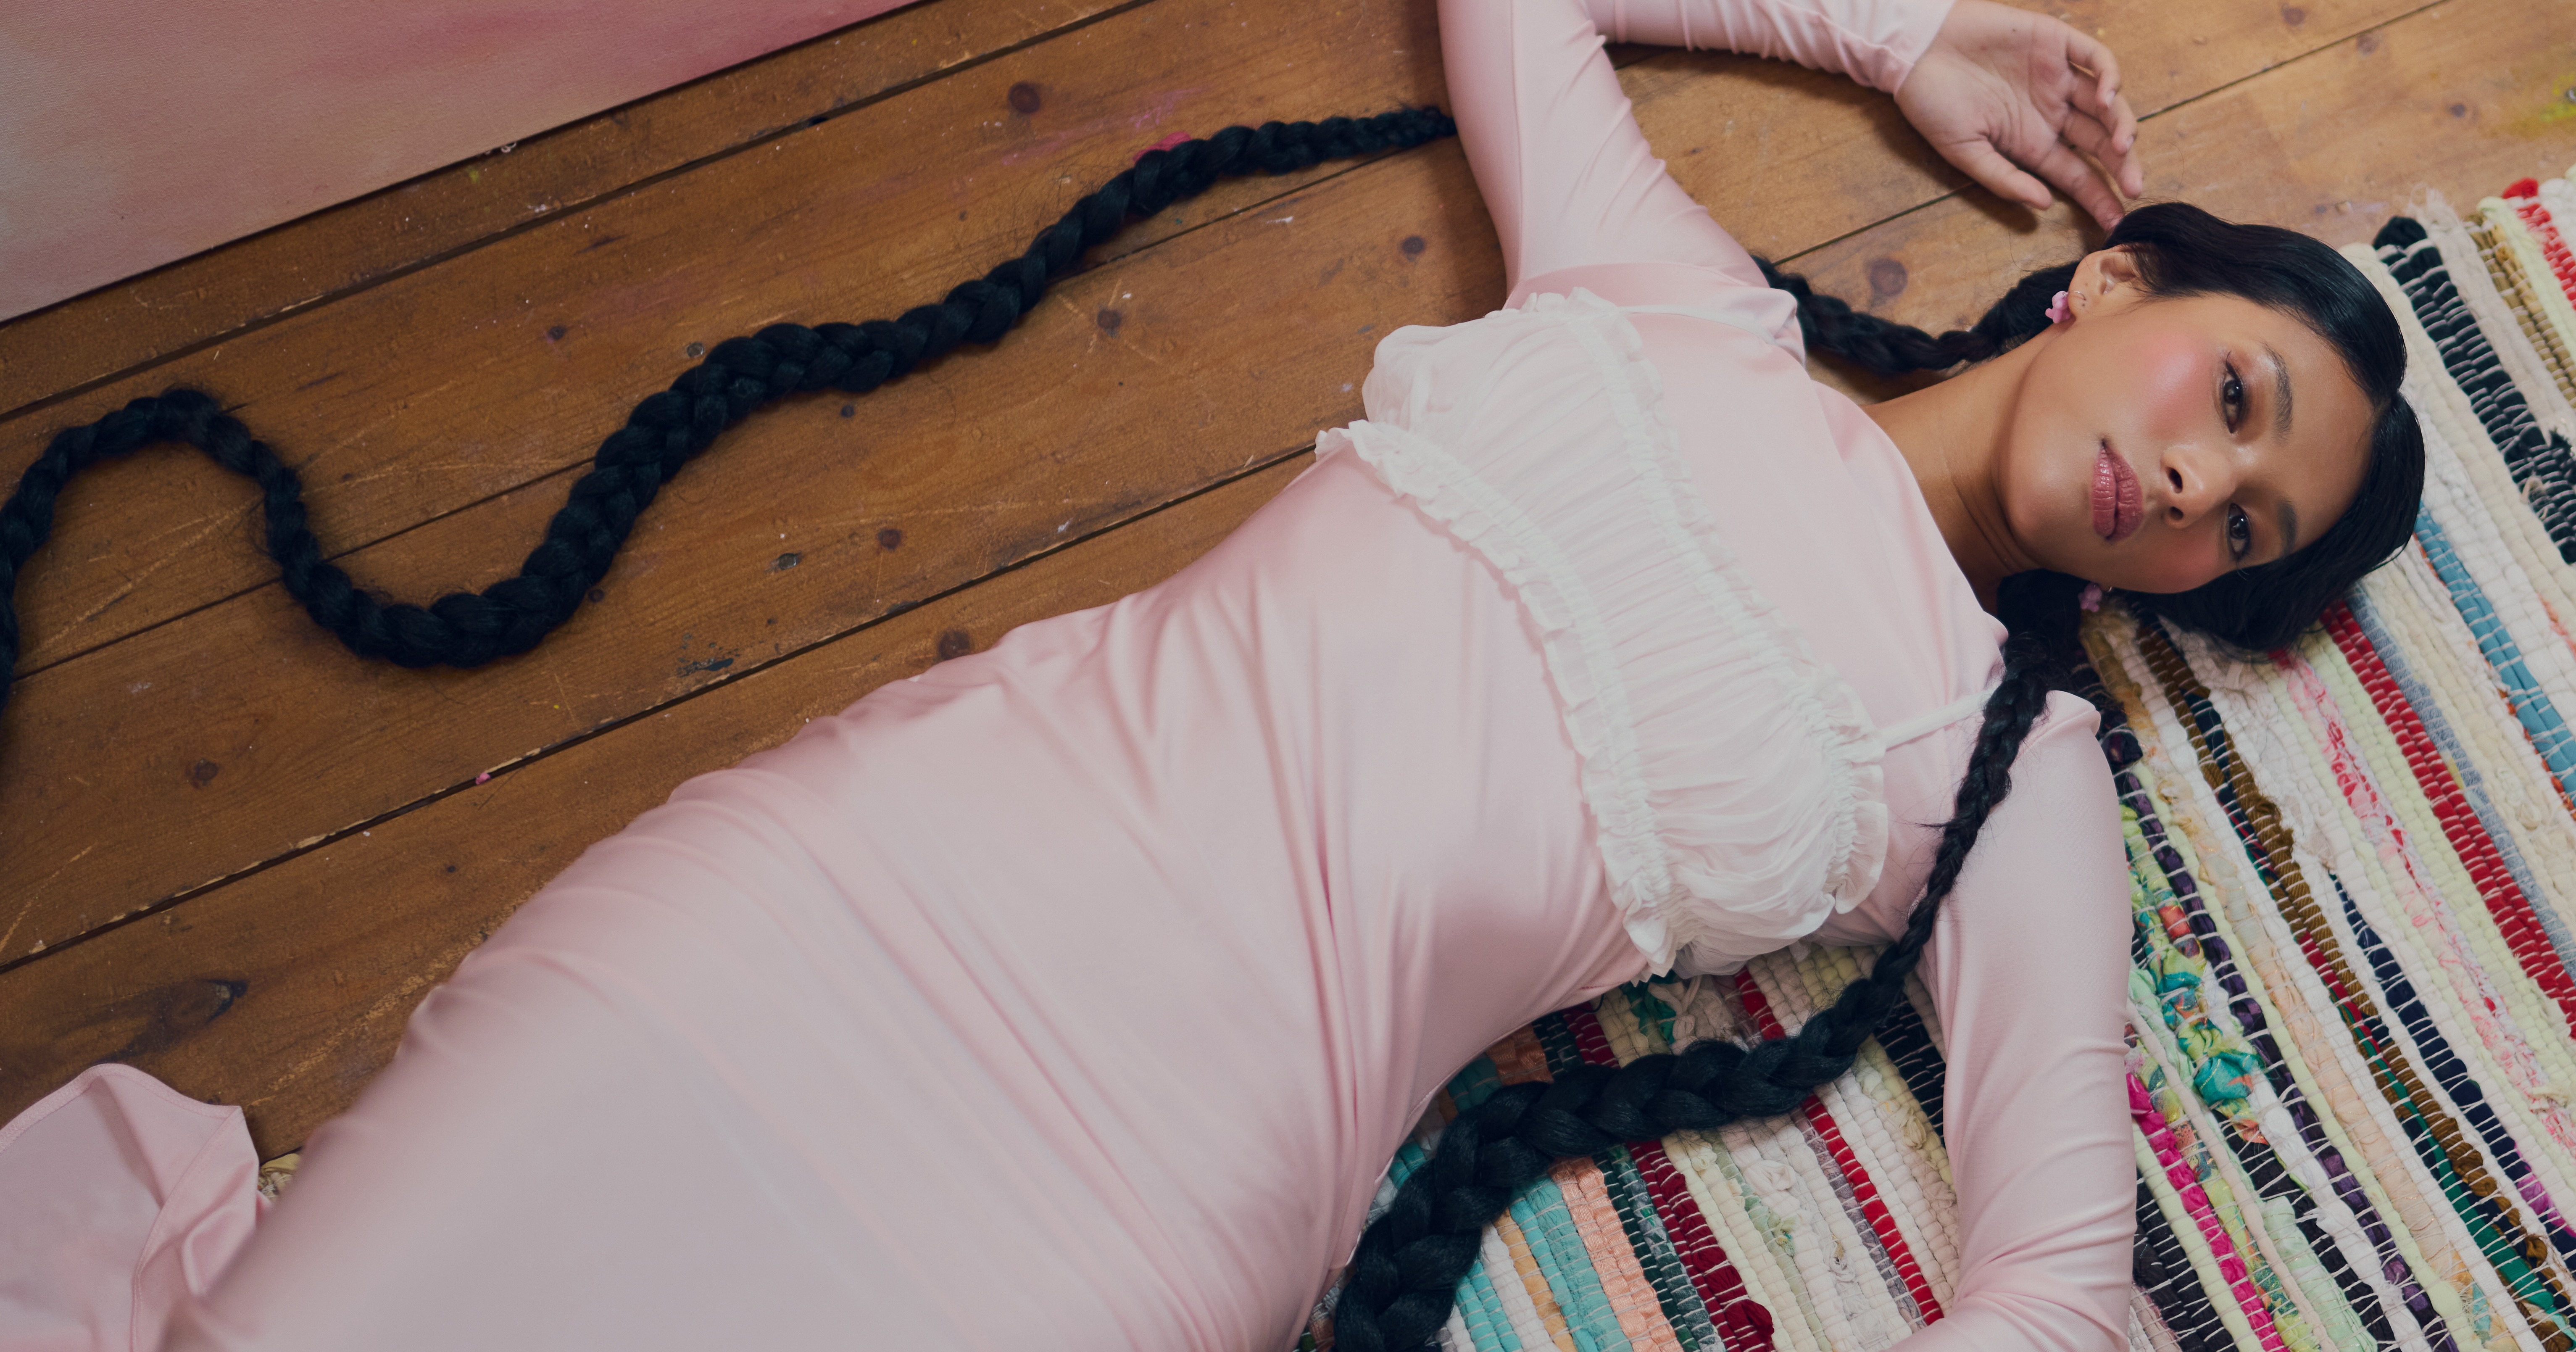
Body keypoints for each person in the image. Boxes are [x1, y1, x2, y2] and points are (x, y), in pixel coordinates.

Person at [10, 0, 2423, 1349]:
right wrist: (1895, 40)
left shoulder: (2009, 779)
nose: (2195, 485)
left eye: (2247, 525)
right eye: (2235, 398)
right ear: (2118, 277)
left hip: (1126, 1207)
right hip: (842, 910)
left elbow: (2054, 1280)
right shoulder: (1672, 305)